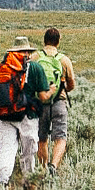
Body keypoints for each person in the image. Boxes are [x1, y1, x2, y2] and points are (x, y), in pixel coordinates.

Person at [0, 36, 51, 190]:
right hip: (28, 115)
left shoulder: (3, 67)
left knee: (6, 150)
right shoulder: (36, 68)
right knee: (28, 152)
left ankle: (2, 184)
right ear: (28, 52)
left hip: (4, 115)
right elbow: (43, 96)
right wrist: (52, 90)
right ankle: (29, 185)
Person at [36, 26, 77, 174]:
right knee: (61, 137)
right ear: (58, 42)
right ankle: (54, 166)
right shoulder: (64, 60)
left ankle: (43, 169)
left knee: (42, 138)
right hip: (59, 102)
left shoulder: (35, 57)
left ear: (44, 41)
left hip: (40, 103)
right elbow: (72, 83)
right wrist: (61, 90)